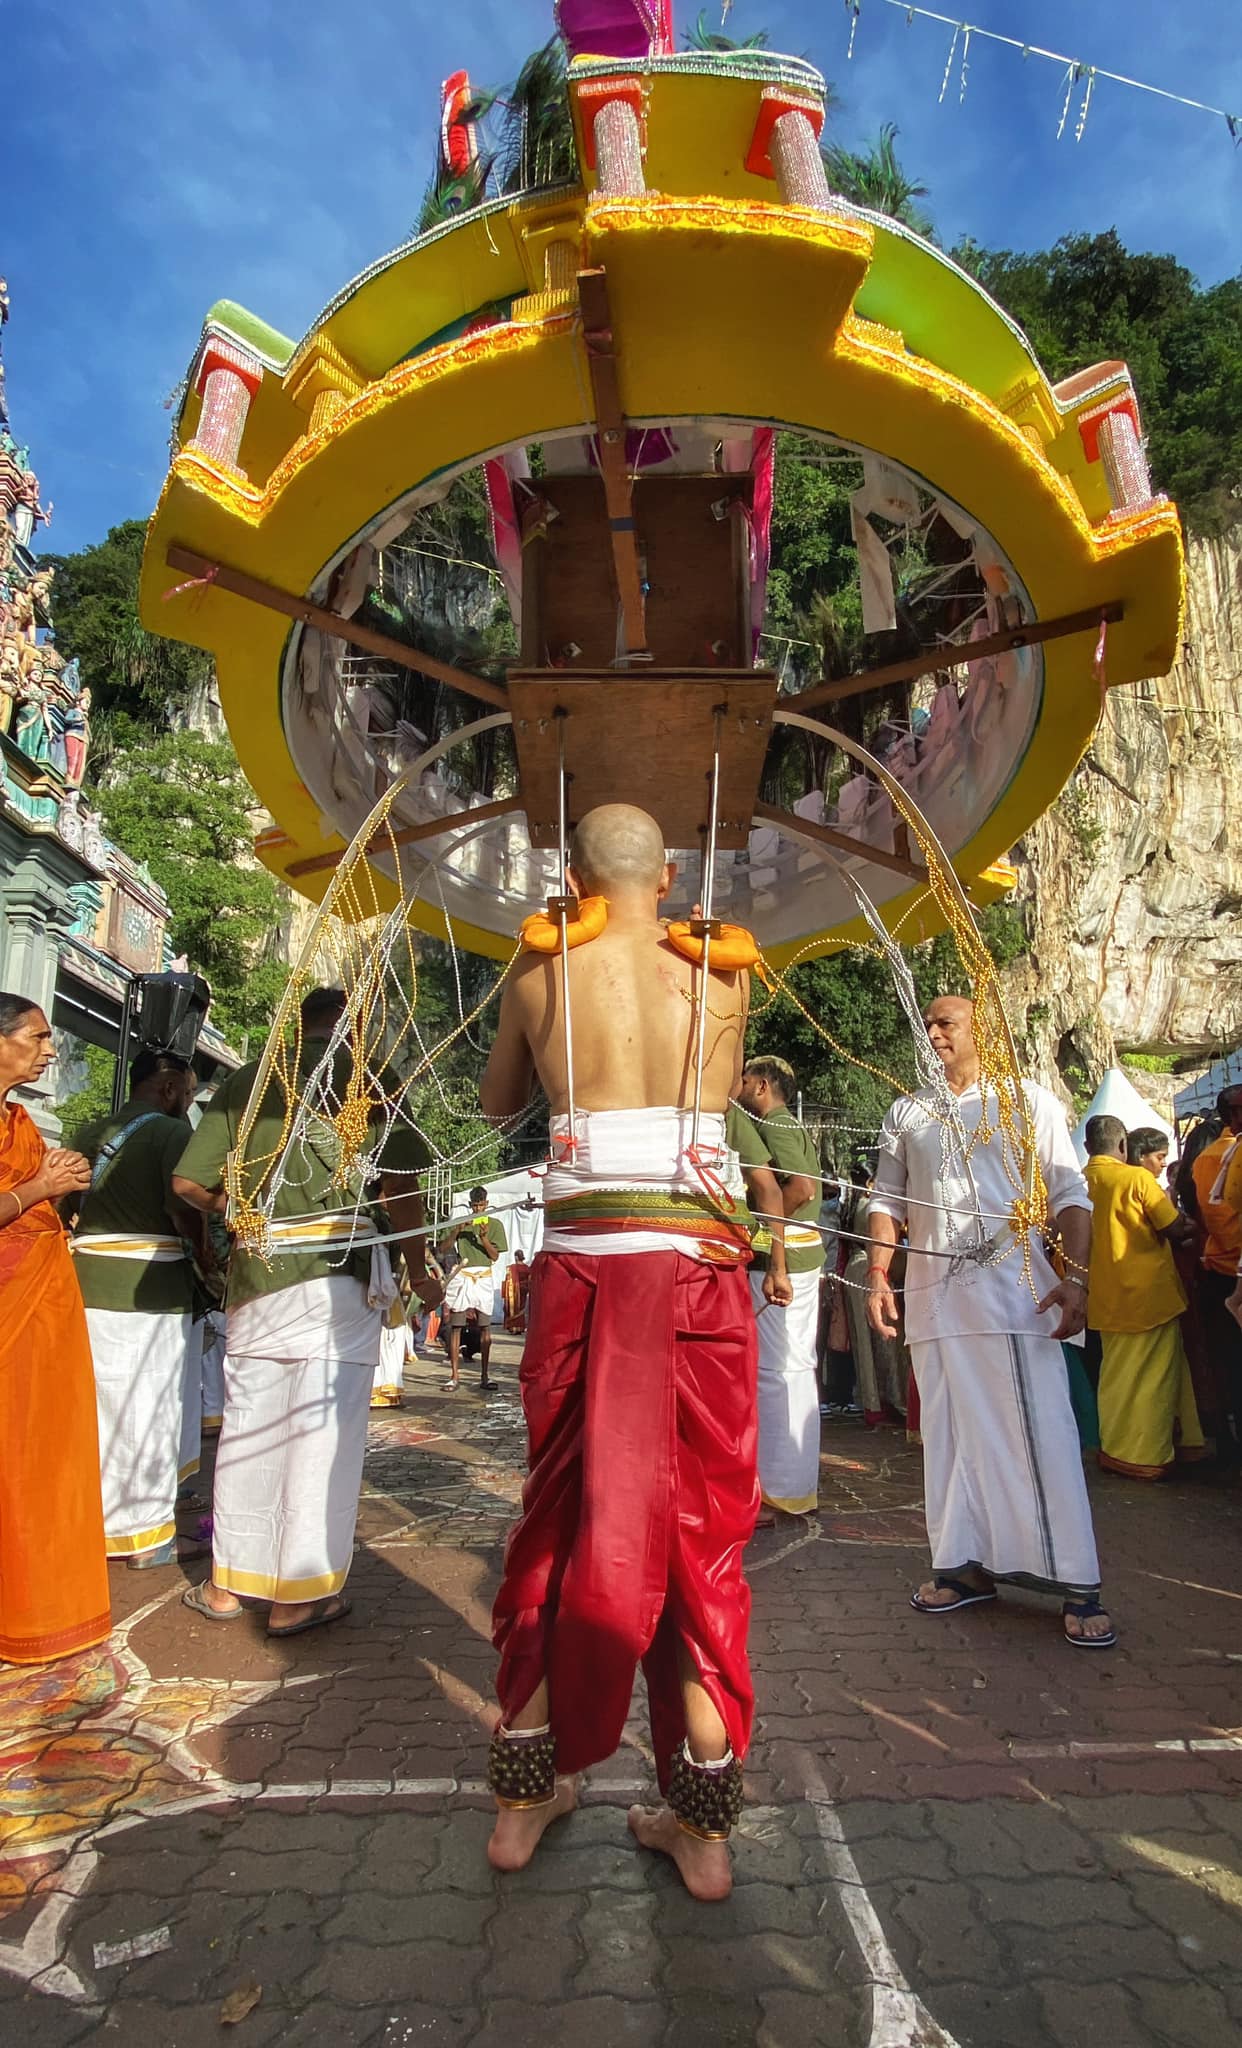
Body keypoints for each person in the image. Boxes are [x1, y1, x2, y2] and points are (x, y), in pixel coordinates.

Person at [478, 802, 758, 1901]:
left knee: (555, 1518)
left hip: (587, 1268)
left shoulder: (542, 968)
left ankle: (520, 1798)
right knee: (700, 1538)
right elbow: (721, 1098)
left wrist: (542, 976)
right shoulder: (721, 972)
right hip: (695, 1269)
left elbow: (501, 1101)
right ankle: (703, 1825)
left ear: (571, 873)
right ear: (672, 872)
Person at [171, 988, 440, 1638]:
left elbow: (188, 1183)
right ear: (358, 1031)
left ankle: (226, 1584)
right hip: (337, 1282)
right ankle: (297, 1596)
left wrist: (250, 1213)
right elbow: (400, 1191)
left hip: (259, 1277)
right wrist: (419, 1270)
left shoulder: (250, 1080)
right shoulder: (376, 1083)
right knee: (323, 1438)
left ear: (300, 1024)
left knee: (249, 1429)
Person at [868, 995, 1115, 1648]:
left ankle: (1077, 1583)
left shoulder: (1028, 1100)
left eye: (946, 1022)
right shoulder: (906, 1111)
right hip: (932, 1303)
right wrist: (875, 1274)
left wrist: (1078, 1278)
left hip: (1016, 1297)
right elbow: (886, 1201)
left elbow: (1069, 1194)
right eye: (926, 1024)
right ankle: (962, 1568)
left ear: (984, 1032)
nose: (933, 1033)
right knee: (947, 1444)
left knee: (1041, 1438)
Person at [0, 993, 110, 1664]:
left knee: (39, 1458)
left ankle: (37, 1605)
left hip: (39, 1316)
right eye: (37, 1036)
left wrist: (58, 1187)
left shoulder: (20, 1122)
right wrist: (38, 1189)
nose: (49, 1049)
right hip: (13, 1312)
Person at [72, 1048, 211, 1569]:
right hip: (150, 1288)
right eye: (190, 1094)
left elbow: (67, 1209)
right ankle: (145, 1535)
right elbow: (185, 1209)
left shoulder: (88, 1133)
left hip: (88, 1282)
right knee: (151, 1406)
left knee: (99, 1405)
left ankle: (94, 1520)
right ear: (171, 1089)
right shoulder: (173, 1135)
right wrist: (205, 1253)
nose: (189, 1103)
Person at [1083, 1114, 1204, 1479]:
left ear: (1088, 1147)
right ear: (1123, 1147)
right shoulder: (1136, 1178)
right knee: (1154, 1378)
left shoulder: (1081, 1182)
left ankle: (1116, 1449)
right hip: (1149, 1296)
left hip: (1104, 1298)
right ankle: (1143, 1457)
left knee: (1115, 1377)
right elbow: (1171, 1225)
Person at [730, 1058, 819, 1519]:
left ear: (761, 1086)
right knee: (788, 1370)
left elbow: (800, 1188)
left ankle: (782, 1489)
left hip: (790, 1259)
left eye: (744, 1080)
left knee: (779, 1373)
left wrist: (765, 1236)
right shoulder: (787, 1125)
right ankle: (789, 1484)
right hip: (799, 1255)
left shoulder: (776, 1127)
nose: (738, 1087)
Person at [1190, 1086, 1242, 1457]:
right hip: (1232, 1269)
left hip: (1218, 1267)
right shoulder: (1225, 1156)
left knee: (1229, 1364)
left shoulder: (1206, 1157)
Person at [439, 1187, 506, 1392]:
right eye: (475, 1205)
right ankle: (454, 1376)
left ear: (486, 1203)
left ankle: (484, 1376)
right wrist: (457, 1230)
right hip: (464, 1274)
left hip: (483, 1275)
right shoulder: (462, 1224)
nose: (478, 1208)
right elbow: (442, 1249)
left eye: (481, 1204)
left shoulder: (495, 1224)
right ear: (470, 1205)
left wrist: (484, 1238)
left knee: (485, 1327)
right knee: (456, 1326)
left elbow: (494, 1256)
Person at [502, 1247, 532, 1334]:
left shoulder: (511, 1268)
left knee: (512, 1308)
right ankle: (520, 1327)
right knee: (521, 1308)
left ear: (516, 1257)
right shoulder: (527, 1268)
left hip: (513, 1291)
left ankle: (512, 1327)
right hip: (523, 1290)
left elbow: (507, 1280)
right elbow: (530, 1280)